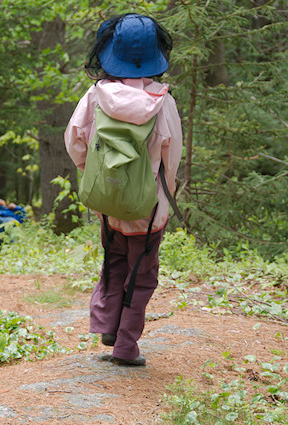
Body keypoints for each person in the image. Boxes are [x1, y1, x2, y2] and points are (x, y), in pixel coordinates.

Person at [64, 14, 183, 366]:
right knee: (142, 275)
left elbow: (75, 141)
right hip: (148, 209)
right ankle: (127, 347)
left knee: (114, 262)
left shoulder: (95, 95)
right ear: (155, 56)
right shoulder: (163, 102)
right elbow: (170, 156)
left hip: (108, 202)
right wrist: (166, 196)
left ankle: (106, 324)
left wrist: (93, 173)